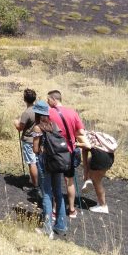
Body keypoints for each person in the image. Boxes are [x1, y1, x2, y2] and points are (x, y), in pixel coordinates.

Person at [47, 90, 85, 219]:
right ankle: (72, 210)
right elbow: (80, 131)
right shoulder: (73, 113)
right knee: (70, 181)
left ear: (54, 99)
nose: (48, 102)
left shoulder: (49, 113)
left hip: (54, 152)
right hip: (70, 151)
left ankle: (54, 210)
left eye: (49, 100)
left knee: (55, 182)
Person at [32, 100, 67, 239]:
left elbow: (35, 149)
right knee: (58, 193)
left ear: (38, 113)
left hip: (44, 162)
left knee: (46, 194)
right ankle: (61, 225)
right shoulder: (55, 125)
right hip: (57, 161)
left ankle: (47, 229)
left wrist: (40, 149)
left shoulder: (37, 128)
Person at [80, 131, 116, 214]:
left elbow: (84, 153)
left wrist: (85, 172)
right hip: (110, 157)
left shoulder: (81, 137)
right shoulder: (90, 133)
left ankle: (103, 206)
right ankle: (89, 179)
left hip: (101, 158)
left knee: (97, 182)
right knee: (90, 161)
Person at [13, 88, 38, 192]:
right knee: (37, 162)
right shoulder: (38, 109)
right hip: (37, 139)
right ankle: (39, 182)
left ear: (24, 99)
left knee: (31, 162)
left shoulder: (26, 113)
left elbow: (20, 128)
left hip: (28, 140)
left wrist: (15, 122)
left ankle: (35, 185)